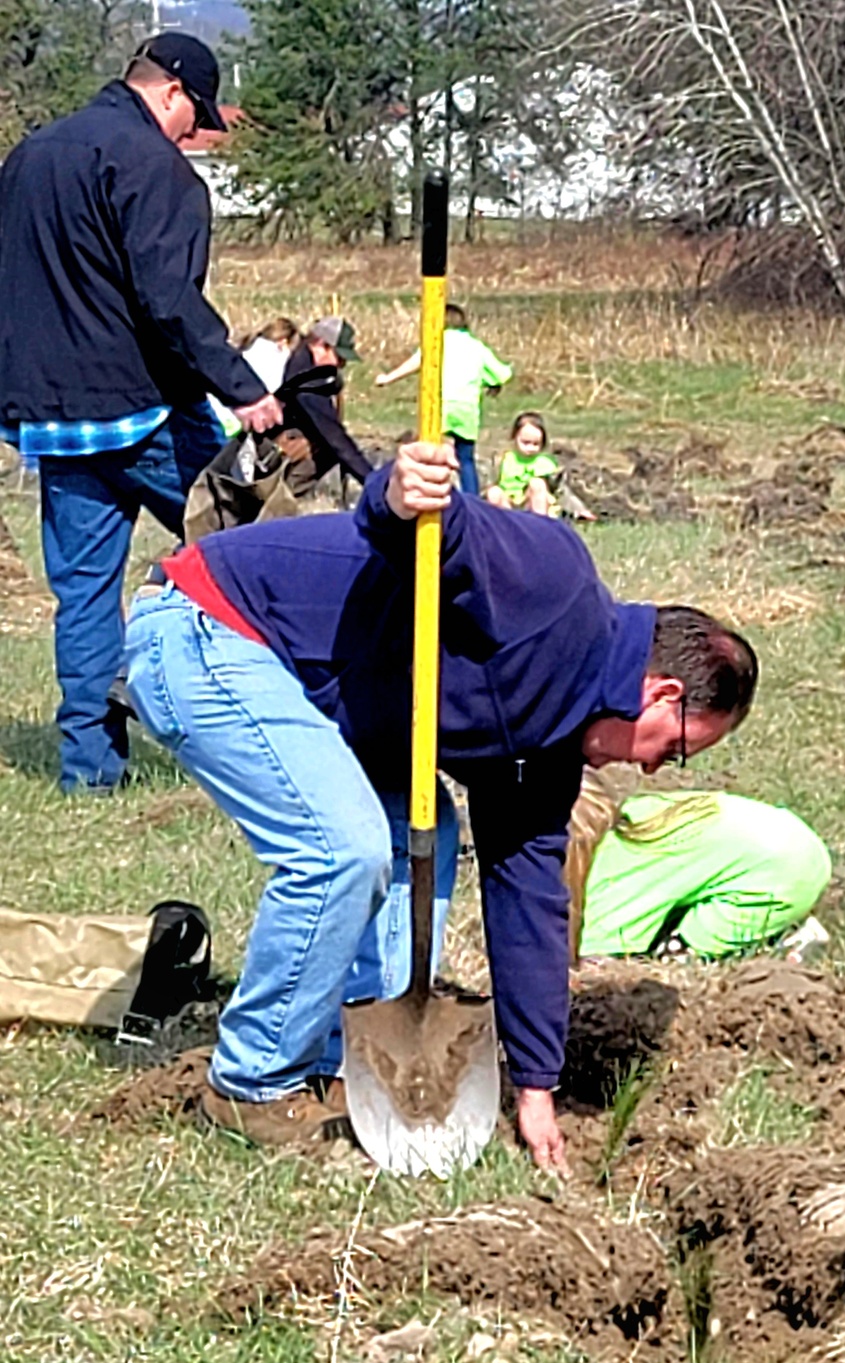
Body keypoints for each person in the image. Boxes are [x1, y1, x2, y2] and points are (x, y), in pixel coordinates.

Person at [123, 438, 758, 1171]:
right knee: (343, 849)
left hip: (327, 695)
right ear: (663, 695)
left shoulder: (548, 753)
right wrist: (404, 490)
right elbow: (437, 534)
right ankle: (252, 1080)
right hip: (209, 627)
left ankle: (340, 1060)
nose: (652, 767)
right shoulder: (555, 584)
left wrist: (537, 1084)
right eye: (673, 749)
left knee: (424, 835)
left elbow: (528, 904)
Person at [0, 33, 283, 794]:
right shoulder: (158, 169)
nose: (196, 138)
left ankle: (89, 771)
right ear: (173, 92)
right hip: (144, 410)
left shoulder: (28, 158)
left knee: (85, 595)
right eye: (198, 121)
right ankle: (303, 732)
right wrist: (243, 387)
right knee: (264, 554)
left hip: (55, 419)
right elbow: (170, 303)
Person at [565, 776, 830, 962]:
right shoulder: (621, 815)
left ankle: (779, 944)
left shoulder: (602, 889)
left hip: (780, 874)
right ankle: (777, 925)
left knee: (658, 965)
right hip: (785, 837)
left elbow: (592, 953)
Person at [375, 305, 512, 494]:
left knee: (428, 450)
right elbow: (501, 374)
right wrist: (491, 383)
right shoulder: (476, 346)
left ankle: (424, 490)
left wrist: (388, 378)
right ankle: (471, 500)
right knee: (466, 458)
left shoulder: (436, 341)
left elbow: (417, 362)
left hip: (440, 405)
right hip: (467, 409)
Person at [279, 317, 374, 489]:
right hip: (277, 452)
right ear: (321, 345)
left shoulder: (303, 359)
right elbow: (335, 438)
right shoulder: (306, 382)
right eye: (339, 357)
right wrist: (372, 481)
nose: (342, 365)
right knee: (329, 447)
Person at [487, 412, 563, 517]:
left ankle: (540, 524)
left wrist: (579, 509)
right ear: (514, 437)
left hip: (531, 503)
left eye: (536, 444)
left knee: (537, 484)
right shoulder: (505, 459)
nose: (530, 448)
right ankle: (503, 526)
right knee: (494, 492)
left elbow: (563, 491)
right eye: (526, 443)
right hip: (509, 503)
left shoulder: (545, 463)